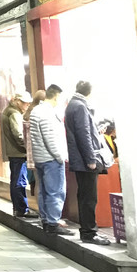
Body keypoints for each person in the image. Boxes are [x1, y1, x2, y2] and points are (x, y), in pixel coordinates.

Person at [65, 80, 111, 245]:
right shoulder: (80, 106)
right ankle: (89, 233)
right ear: (89, 92)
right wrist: (90, 159)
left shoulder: (74, 104)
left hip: (80, 159)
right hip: (84, 160)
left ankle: (87, 231)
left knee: (85, 196)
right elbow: (83, 134)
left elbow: (84, 132)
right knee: (89, 197)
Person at [29, 84, 73, 236]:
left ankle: (46, 220)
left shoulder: (36, 110)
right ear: (56, 96)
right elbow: (50, 138)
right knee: (55, 191)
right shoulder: (46, 112)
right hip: (51, 158)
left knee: (44, 191)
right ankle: (53, 222)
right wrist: (60, 156)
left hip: (40, 157)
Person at [1, 93, 33, 217]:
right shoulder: (14, 113)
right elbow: (18, 135)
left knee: (16, 180)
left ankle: (18, 208)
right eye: (25, 103)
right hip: (18, 153)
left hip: (14, 152)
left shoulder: (9, 111)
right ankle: (22, 209)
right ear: (18, 101)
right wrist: (27, 148)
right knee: (19, 181)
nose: (27, 105)